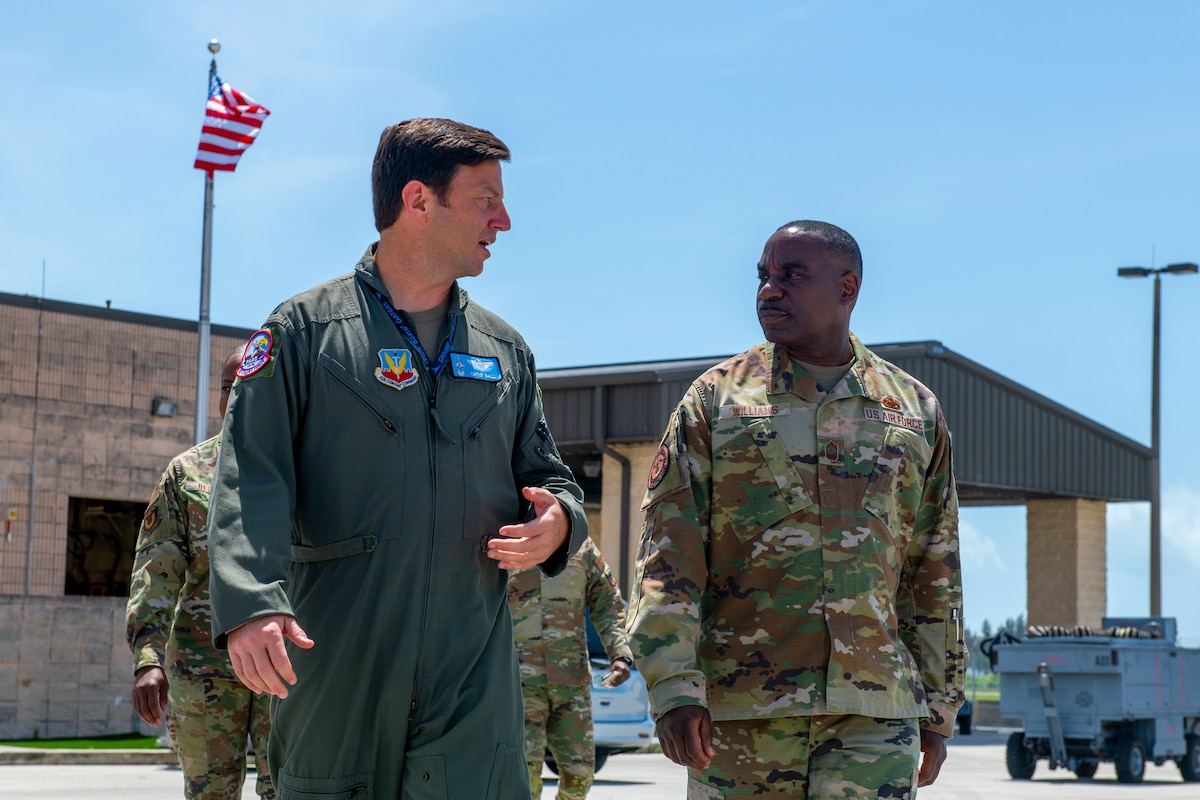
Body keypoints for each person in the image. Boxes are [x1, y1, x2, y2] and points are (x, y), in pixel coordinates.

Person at [207, 118, 587, 800]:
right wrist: (250, 604)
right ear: (418, 200)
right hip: (338, 659)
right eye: (484, 199)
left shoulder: (506, 351)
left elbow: (548, 474)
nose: (503, 219)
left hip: (471, 668)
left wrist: (559, 522)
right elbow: (249, 475)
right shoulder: (304, 332)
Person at [626, 220, 965, 798]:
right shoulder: (716, 399)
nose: (769, 290)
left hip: (874, 713)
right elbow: (669, 557)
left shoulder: (914, 410)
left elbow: (934, 567)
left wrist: (938, 709)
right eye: (763, 276)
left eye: (792, 275)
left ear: (847, 288)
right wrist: (675, 689)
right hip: (742, 712)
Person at [126, 347, 275, 800]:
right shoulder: (186, 474)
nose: (237, 397)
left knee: (293, 791)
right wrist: (148, 660)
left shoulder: (307, 471)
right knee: (209, 795)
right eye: (229, 387)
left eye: (250, 385)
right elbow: (155, 572)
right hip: (202, 670)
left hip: (284, 669)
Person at [508, 536, 634, 799]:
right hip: (517, 682)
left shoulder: (579, 545)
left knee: (580, 774)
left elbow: (607, 603)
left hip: (571, 681)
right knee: (521, 773)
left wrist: (620, 653)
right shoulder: (505, 538)